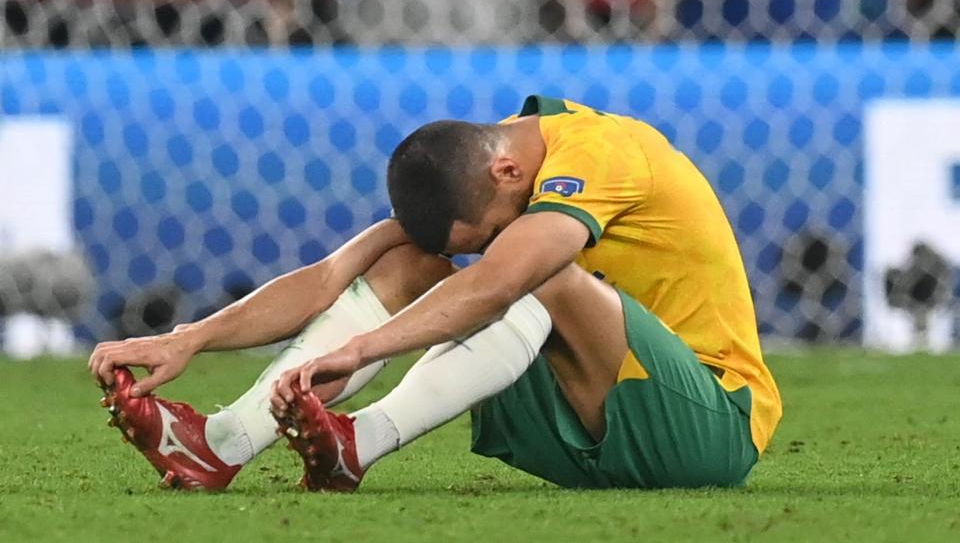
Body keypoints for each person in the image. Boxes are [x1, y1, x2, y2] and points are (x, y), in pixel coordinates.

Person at [90, 95, 782, 491]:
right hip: (583, 425)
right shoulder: (492, 173)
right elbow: (330, 278)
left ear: (509, 172)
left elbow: (508, 277)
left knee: (534, 270)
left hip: (707, 428)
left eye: (487, 232)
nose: (485, 245)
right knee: (410, 263)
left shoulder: (601, 154)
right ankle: (223, 443)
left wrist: (363, 349)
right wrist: (190, 339)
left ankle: (360, 441)